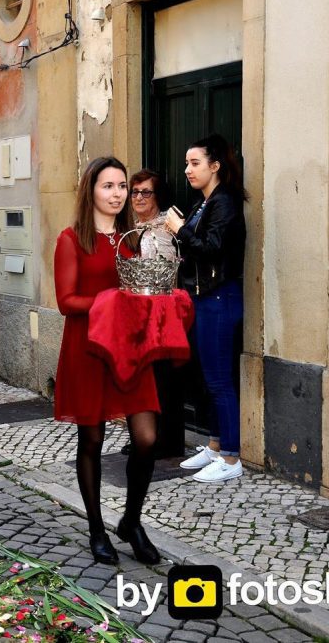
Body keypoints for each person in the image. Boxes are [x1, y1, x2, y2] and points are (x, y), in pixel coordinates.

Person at [54, 156, 160, 566]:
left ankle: (131, 521)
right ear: (91, 191)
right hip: (89, 349)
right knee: (92, 440)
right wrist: (112, 301)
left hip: (131, 349)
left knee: (146, 438)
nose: (117, 194)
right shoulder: (71, 239)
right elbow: (66, 301)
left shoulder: (132, 239)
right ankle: (97, 529)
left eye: (122, 187)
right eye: (108, 186)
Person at [166, 133, 247, 484]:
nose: (188, 169)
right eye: (187, 163)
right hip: (203, 297)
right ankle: (215, 446)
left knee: (219, 379)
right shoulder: (205, 202)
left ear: (215, 166)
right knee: (207, 377)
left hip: (219, 297)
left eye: (195, 163)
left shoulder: (224, 202)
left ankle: (231, 457)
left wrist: (180, 229)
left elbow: (211, 248)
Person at [119, 170, 186, 460]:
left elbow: (168, 273)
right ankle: (144, 436)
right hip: (135, 315)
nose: (139, 197)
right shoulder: (130, 229)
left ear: (158, 196)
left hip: (161, 315)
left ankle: (167, 441)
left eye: (146, 192)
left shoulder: (166, 229)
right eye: (134, 192)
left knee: (162, 379)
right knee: (141, 379)